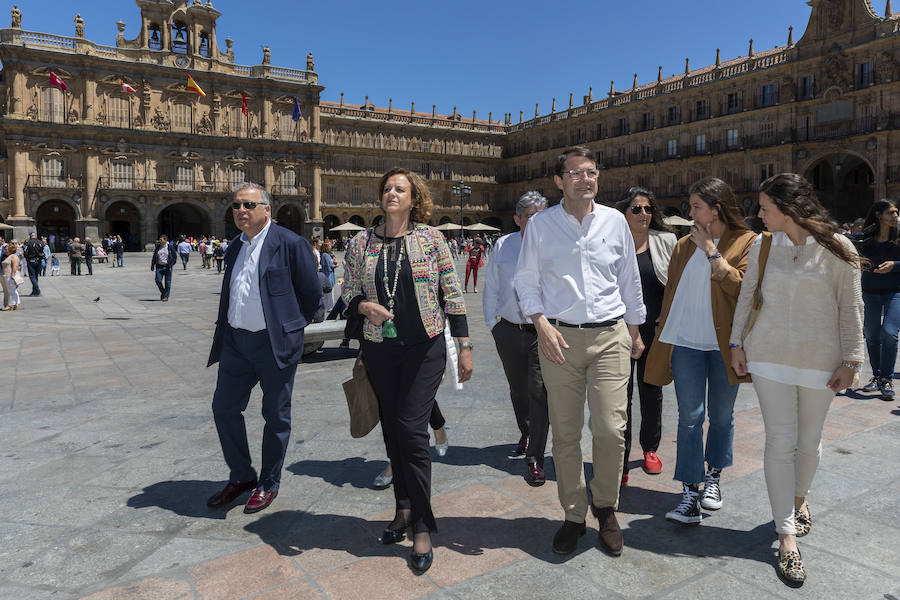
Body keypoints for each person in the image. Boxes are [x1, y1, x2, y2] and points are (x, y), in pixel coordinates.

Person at [730, 173, 864, 586]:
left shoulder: (838, 247)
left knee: (809, 441)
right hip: (769, 357)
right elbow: (747, 294)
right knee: (779, 441)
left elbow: (850, 307)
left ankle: (799, 500)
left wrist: (852, 360)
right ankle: (786, 535)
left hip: (820, 361)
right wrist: (738, 344)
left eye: (765, 207)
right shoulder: (764, 246)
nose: (759, 213)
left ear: (787, 208)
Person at [514, 146, 645, 557]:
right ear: (559, 181)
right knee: (565, 432)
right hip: (560, 340)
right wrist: (541, 324)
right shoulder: (541, 226)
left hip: (610, 337)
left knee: (610, 428)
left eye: (591, 172)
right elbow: (526, 280)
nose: (584, 180)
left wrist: (635, 332)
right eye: (575, 173)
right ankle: (573, 514)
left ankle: (605, 506)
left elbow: (629, 280)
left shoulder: (615, 222)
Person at [342, 167, 472, 574]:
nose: (392, 194)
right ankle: (402, 508)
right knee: (393, 432)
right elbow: (347, 293)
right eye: (386, 189)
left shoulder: (432, 240)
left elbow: (452, 294)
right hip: (380, 350)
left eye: (400, 189)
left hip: (426, 349)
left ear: (415, 198)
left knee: (413, 433)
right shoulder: (361, 243)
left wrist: (464, 346)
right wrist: (364, 307)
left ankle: (420, 526)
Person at [644, 177, 756, 525]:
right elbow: (672, 290)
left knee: (722, 417)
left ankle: (714, 479)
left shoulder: (748, 242)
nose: (689, 212)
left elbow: (742, 289)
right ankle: (690, 490)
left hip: (727, 347)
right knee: (690, 419)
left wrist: (711, 249)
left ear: (715, 209)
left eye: (695, 206)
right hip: (687, 343)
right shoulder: (681, 246)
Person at [207, 182, 322, 515]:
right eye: (237, 206)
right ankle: (242, 476)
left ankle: (268, 482)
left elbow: (312, 295)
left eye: (249, 205)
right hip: (235, 343)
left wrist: (289, 327)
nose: (241, 211)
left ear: (266, 209)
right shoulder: (233, 247)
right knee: (224, 408)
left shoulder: (290, 243)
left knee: (275, 416)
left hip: (274, 344)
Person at [483, 190, 550, 486]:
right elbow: (492, 286)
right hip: (508, 329)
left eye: (540, 217)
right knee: (517, 390)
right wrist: (492, 324)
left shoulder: (553, 247)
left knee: (538, 391)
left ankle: (535, 456)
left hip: (542, 332)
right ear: (517, 219)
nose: (536, 223)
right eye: (530, 217)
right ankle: (526, 433)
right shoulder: (503, 245)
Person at [615, 187, 676, 482]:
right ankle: (621, 458)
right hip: (618, 331)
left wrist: (670, 315)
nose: (644, 214)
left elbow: (675, 283)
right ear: (624, 213)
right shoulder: (613, 241)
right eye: (637, 209)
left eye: (648, 209)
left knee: (652, 391)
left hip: (655, 329)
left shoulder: (665, 241)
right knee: (619, 398)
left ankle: (650, 448)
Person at [854, 198, 900, 399]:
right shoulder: (865, 240)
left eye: (897, 212)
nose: (895, 216)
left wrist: (895, 265)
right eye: (891, 212)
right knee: (872, 335)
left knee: (889, 333)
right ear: (878, 215)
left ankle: (887, 379)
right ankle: (877, 376)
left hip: (894, 293)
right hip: (869, 292)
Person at [151, 235, 176, 301]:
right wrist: (152, 265)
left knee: (168, 283)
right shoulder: (158, 247)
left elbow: (174, 256)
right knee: (158, 280)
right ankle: (164, 292)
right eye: (159, 239)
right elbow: (154, 256)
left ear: (165, 240)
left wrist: (171, 264)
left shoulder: (170, 247)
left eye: (161, 240)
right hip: (159, 266)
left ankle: (166, 296)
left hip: (168, 267)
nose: (160, 241)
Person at [1, 242, 20, 311]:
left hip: (10, 275)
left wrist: (12, 275)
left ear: (10, 250)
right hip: (7, 275)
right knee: (12, 290)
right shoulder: (9, 256)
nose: (5, 250)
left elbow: (15, 266)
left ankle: (10, 304)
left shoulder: (13, 256)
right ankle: (16, 303)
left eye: (7, 249)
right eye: (5, 249)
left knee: (11, 290)